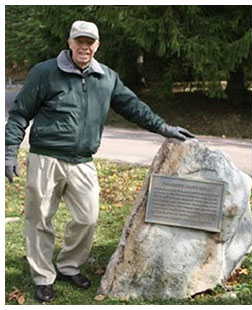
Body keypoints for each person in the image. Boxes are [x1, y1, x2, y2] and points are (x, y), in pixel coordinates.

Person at [5, 20, 195, 302]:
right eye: (79, 41)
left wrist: (164, 128)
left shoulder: (106, 76)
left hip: (82, 160)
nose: (85, 46)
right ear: (70, 42)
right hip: (46, 157)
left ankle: (69, 266)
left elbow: (133, 107)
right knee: (40, 219)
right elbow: (20, 113)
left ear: (97, 45)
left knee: (88, 218)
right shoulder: (45, 72)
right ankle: (43, 277)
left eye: (90, 42)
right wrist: (10, 150)